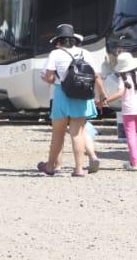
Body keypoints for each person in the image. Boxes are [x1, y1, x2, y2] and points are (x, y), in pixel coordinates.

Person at [36, 24, 99, 177]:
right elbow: (95, 75)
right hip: (82, 95)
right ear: (73, 39)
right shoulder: (85, 53)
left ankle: (51, 166)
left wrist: (46, 78)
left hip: (62, 94)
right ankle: (79, 169)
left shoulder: (55, 54)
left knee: (58, 133)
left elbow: (50, 78)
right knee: (77, 133)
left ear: (59, 41)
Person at [97, 51, 137, 171]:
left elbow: (120, 94)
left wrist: (106, 101)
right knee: (136, 134)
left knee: (131, 136)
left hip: (128, 110)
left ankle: (134, 162)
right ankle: (133, 161)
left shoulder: (124, 78)